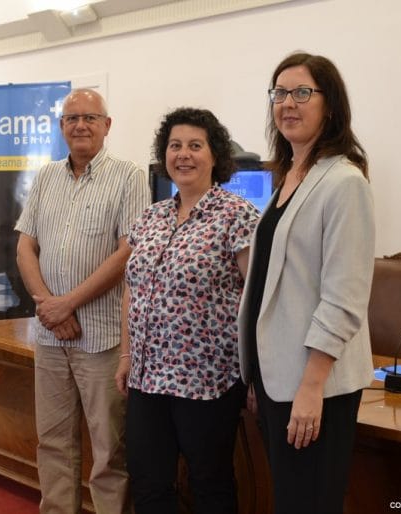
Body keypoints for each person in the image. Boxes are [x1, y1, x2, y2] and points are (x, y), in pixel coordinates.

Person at [237, 52, 375, 514]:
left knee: (310, 504)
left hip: (316, 383)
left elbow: (344, 298)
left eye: (302, 93)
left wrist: (311, 386)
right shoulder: (290, 177)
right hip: (278, 377)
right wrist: (255, 370)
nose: (287, 104)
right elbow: (268, 284)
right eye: (279, 93)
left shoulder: (343, 182)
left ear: (329, 105)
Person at [115, 107, 260, 514]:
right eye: (175, 146)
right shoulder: (151, 217)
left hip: (208, 381)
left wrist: (256, 376)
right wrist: (126, 354)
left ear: (215, 156)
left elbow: (260, 301)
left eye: (196, 146)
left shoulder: (238, 216)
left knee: (209, 484)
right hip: (147, 378)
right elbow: (133, 289)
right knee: (148, 483)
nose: (184, 154)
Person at [15, 88, 149, 514]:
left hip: (103, 339)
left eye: (90, 118)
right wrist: (48, 304)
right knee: (52, 441)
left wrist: (66, 303)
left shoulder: (129, 177)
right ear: (61, 128)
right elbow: (25, 246)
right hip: (51, 337)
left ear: (107, 125)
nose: (80, 126)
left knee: (109, 450)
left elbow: (128, 250)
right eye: (72, 119)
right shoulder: (46, 177)